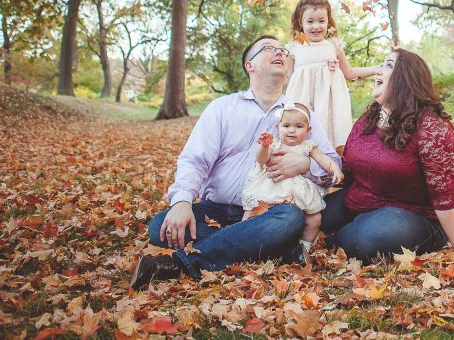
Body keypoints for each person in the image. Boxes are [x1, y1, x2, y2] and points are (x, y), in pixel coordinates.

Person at [130, 35, 342, 291]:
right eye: (268, 49)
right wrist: (183, 202)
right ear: (249, 66)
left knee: (290, 219)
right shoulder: (223, 107)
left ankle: (180, 263)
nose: (279, 52)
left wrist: (306, 165)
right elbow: (195, 159)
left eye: (283, 50)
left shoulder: (300, 114)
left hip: (269, 212)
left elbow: (332, 164)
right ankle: (256, 246)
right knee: (160, 226)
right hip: (217, 210)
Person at [321, 48, 454, 263]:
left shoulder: (431, 128)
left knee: (366, 238)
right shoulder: (367, 119)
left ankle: (339, 237)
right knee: (315, 213)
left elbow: (444, 196)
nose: (378, 72)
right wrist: (309, 163)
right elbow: (348, 173)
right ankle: (344, 229)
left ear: (406, 77)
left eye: (388, 66)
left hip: (412, 216)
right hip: (360, 201)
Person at [241, 104, 344, 265]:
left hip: (298, 192)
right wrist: (264, 146)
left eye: (298, 126)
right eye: (286, 126)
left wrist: (335, 169)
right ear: (278, 127)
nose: (292, 130)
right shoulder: (274, 144)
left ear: (308, 130)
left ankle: (303, 249)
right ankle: (240, 237)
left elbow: (324, 160)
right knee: (254, 211)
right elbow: (262, 160)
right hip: (273, 189)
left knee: (315, 218)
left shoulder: (308, 147)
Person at [286, 0, 378, 153]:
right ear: (301, 23)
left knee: (332, 145)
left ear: (328, 22)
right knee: (303, 145)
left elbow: (349, 72)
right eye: (310, 21)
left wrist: (377, 69)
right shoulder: (294, 48)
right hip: (303, 104)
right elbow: (287, 80)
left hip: (330, 106)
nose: (316, 26)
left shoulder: (333, 45)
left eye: (321, 21)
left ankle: (335, 172)